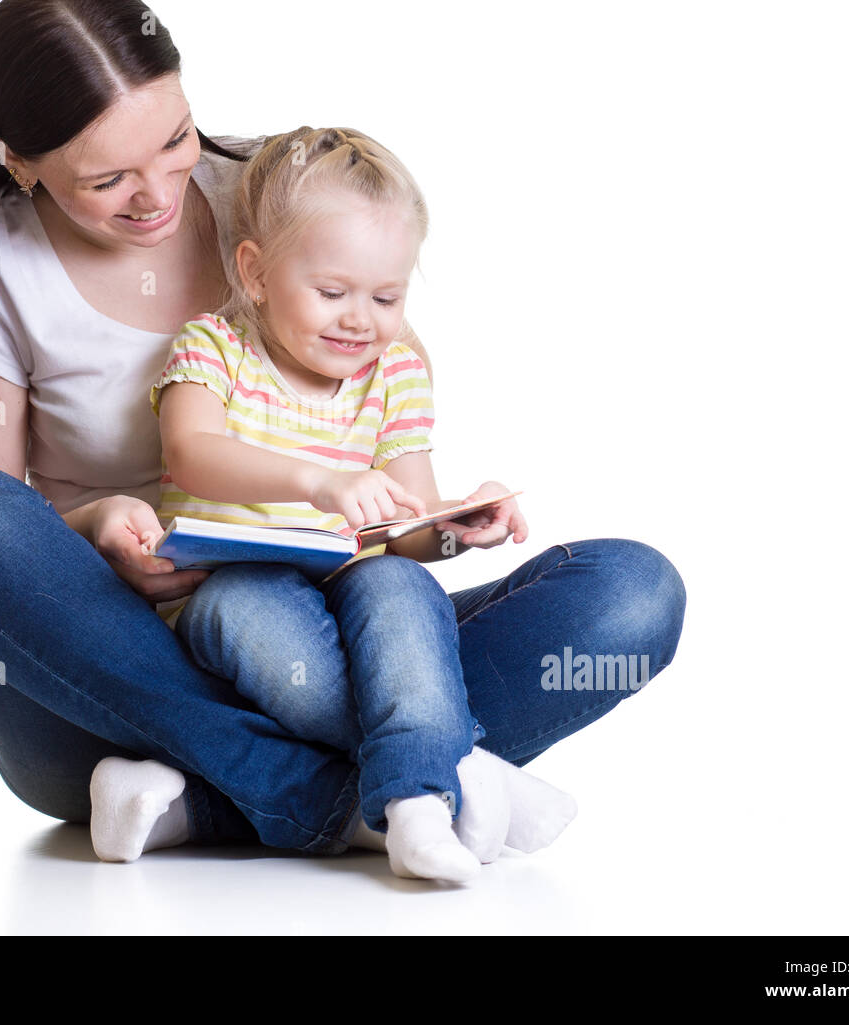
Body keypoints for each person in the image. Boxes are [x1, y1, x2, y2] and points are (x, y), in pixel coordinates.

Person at [0, 0, 687, 870]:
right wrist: (94, 526)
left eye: (177, 138)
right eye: (110, 178)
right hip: (115, 683)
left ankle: (218, 798)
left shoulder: (278, 190)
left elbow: (388, 389)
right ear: (21, 162)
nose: (157, 192)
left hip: (333, 627)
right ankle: (406, 781)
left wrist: (445, 528)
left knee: (633, 591)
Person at [124, 124, 578, 883]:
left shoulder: (394, 373)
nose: (359, 319)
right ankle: (455, 774)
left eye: (386, 296)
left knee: (402, 589)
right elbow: (191, 451)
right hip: (231, 581)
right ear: (257, 273)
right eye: (332, 292)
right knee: (253, 616)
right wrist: (321, 481)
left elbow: (406, 531)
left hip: (354, 582)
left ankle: (414, 809)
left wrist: (455, 526)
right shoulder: (214, 346)